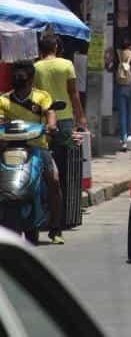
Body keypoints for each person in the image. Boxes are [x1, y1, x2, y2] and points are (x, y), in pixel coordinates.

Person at [0, 61, 64, 244]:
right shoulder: (4, 100)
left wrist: (51, 126)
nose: (20, 80)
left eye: (23, 77)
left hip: (37, 146)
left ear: (30, 79)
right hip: (8, 147)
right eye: (16, 77)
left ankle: (55, 227)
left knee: (53, 180)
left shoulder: (42, 96)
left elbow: (50, 112)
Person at [34, 35, 87, 134]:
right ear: (56, 47)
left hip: (44, 117)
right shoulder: (67, 64)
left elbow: (34, 94)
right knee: (66, 148)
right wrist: (80, 117)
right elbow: (73, 93)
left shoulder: (36, 67)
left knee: (45, 148)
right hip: (65, 116)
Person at [106, 37, 131, 150]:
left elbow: (109, 69)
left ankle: (124, 140)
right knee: (130, 113)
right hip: (130, 86)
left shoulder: (118, 56)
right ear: (130, 46)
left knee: (122, 114)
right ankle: (129, 138)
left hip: (119, 86)